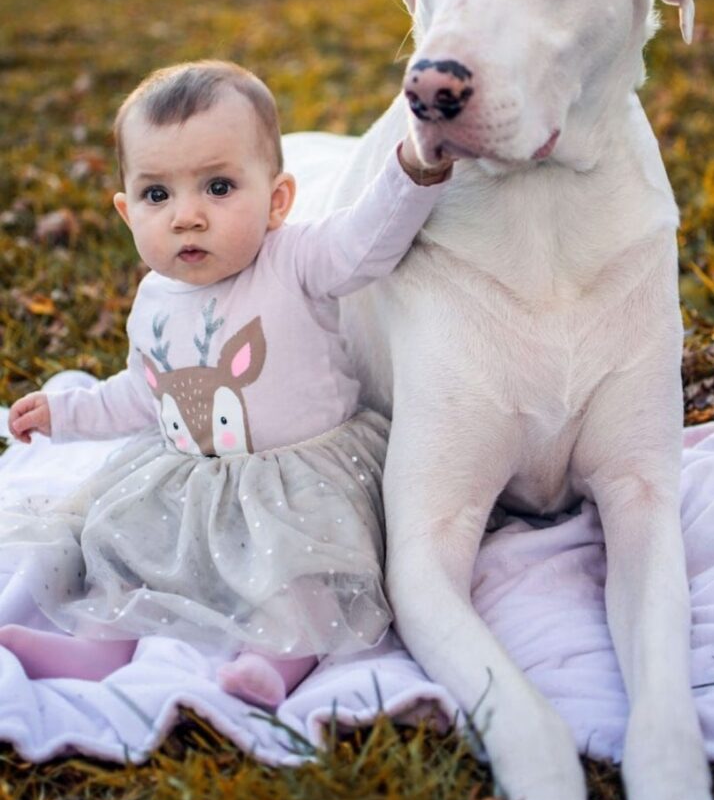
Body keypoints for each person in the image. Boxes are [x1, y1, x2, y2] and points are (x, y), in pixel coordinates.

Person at [2, 60, 454, 707]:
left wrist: (415, 171)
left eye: (217, 187)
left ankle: (276, 660)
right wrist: (64, 412)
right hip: (195, 489)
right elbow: (141, 395)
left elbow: (367, 242)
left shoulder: (294, 259)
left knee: (303, 575)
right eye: (158, 196)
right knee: (126, 548)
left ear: (277, 201)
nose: (186, 217)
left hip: (299, 485)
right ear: (128, 212)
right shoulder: (155, 299)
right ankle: (97, 643)